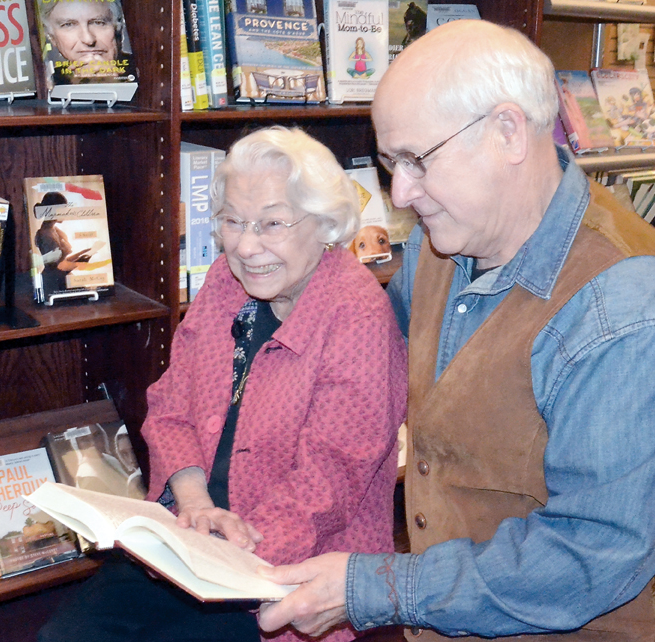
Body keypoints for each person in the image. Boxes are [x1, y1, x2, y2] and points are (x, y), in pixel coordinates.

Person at [257, 19, 655, 642]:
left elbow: (586, 559)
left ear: (509, 132)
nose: (400, 192)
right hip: (460, 614)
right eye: (390, 162)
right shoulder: (443, 246)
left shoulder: (635, 312)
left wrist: (375, 588)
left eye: (415, 160)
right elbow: (372, 360)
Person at [38, 126, 408, 642]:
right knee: (65, 637)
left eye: (272, 223)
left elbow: (330, 480)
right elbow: (169, 404)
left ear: (325, 224)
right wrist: (193, 504)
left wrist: (229, 551)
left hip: (287, 563)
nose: (247, 245)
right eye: (233, 221)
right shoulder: (224, 281)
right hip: (190, 532)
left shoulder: (358, 316)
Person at [39, 0, 124, 63]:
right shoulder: (46, 82)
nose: (89, 40)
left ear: (117, 28)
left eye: (98, 23)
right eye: (68, 25)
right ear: (52, 37)